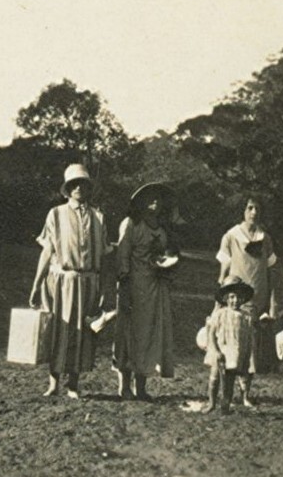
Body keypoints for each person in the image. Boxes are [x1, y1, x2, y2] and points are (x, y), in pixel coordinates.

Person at [28, 163, 110, 399]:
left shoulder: (98, 217)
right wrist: (36, 284)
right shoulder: (56, 214)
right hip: (62, 281)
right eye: (74, 184)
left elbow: (104, 256)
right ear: (67, 189)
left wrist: (103, 287)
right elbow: (47, 251)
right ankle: (54, 384)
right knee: (60, 330)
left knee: (82, 332)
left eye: (82, 184)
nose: (78, 188)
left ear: (88, 187)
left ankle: (73, 385)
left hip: (89, 282)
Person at [113, 182, 178, 401]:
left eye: (159, 198)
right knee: (129, 335)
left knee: (149, 335)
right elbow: (123, 255)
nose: (155, 202)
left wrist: (166, 264)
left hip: (155, 288)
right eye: (150, 198)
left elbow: (168, 253)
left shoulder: (161, 228)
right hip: (134, 287)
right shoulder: (131, 224)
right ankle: (124, 386)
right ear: (141, 201)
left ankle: (141, 386)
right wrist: (124, 284)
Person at [215, 194, 278, 406]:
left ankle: (245, 394)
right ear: (243, 210)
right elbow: (223, 271)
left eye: (257, 208)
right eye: (250, 207)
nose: (254, 212)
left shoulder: (265, 238)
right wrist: (220, 300)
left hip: (258, 300)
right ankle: (227, 394)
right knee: (231, 347)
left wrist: (271, 302)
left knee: (251, 349)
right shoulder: (231, 236)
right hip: (235, 300)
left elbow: (270, 272)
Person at [202, 276, 254, 414]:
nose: (235, 300)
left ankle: (225, 406)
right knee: (214, 378)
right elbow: (212, 333)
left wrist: (246, 356)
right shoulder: (220, 314)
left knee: (229, 381)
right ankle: (212, 403)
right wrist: (216, 350)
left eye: (238, 297)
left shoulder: (246, 316)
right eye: (231, 297)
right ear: (225, 298)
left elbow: (248, 339)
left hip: (235, 353)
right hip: (220, 350)